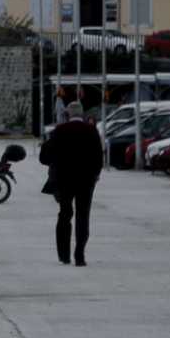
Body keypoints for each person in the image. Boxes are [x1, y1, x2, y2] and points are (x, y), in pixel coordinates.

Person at [39, 99, 104, 267]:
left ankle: (64, 255)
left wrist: (55, 164)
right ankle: (80, 255)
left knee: (64, 214)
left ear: (67, 114)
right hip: (86, 180)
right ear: (82, 114)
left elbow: (44, 156)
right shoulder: (91, 131)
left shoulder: (59, 131)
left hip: (64, 180)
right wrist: (95, 174)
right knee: (83, 216)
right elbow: (99, 156)